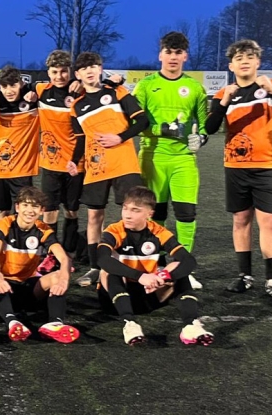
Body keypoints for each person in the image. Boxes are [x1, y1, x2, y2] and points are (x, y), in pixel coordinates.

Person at [205, 40, 272, 303]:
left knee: (270, 222)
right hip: (235, 167)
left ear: (258, 62)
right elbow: (210, 127)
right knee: (241, 220)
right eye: (239, 58)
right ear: (231, 66)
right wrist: (224, 102)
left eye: (250, 56)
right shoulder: (223, 93)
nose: (245, 61)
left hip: (266, 166)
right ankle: (244, 276)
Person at [133, 32, 207, 290]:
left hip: (183, 159)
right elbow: (135, 122)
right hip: (153, 158)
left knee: (186, 214)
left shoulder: (195, 88)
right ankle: (158, 265)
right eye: (169, 52)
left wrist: (201, 138)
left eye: (178, 52)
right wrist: (160, 130)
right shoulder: (146, 85)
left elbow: (204, 125)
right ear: (160, 55)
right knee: (157, 214)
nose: (173, 57)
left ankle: (182, 268)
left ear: (185, 56)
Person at [68, 52, 148, 287]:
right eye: (84, 68)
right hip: (96, 168)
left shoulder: (117, 92)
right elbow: (81, 140)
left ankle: (134, 263)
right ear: (78, 74)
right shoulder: (76, 106)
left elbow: (143, 121)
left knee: (133, 213)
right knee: (94, 216)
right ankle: (95, 267)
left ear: (100, 69)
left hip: (124, 164)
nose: (90, 71)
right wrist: (74, 161)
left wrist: (120, 137)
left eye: (93, 66)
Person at [96, 186, 213, 346]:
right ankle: (130, 324)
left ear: (149, 214)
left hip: (148, 295)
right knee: (108, 271)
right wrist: (140, 276)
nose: (127, 215)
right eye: (125, 208)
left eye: (135, 210)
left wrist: (165, 277)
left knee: (178, 269)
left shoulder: (158, 232)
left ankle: (190, 325)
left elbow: (188, 260)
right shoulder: (114, 231)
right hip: (114, 300)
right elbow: (102, 259)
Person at [0, 187, 78, 343]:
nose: (29, 210)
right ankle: (12, 323)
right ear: (17, 207)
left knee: (57, 276)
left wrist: (64, 279)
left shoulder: (44, 230)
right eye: (25, 205)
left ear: (41, 210)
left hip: (27, 287)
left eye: (35, 206)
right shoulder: (5, 224)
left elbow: (64, 259)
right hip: (2, 286)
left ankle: (55, 323)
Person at [31, 50, 86, 270]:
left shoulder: (81, 92)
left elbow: (105, 87)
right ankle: (51, 254)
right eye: (54, 72)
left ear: (70, 71)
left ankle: (69, 253)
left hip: (76, 163)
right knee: (49, 211)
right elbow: (14, 88)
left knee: (71, 210)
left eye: (64, 71)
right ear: (48, 72)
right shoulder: (40, 90)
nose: (59, 76)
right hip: (50, 163)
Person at [0, 66, 40, 219]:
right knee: (3, 211)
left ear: (21, 84)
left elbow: (49, 87)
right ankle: (1, 234)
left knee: (23, 211)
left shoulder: (31, 97)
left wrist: (34, 92)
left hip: (23, 170)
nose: (9, 91)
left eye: (13, 85)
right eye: (4, 86)